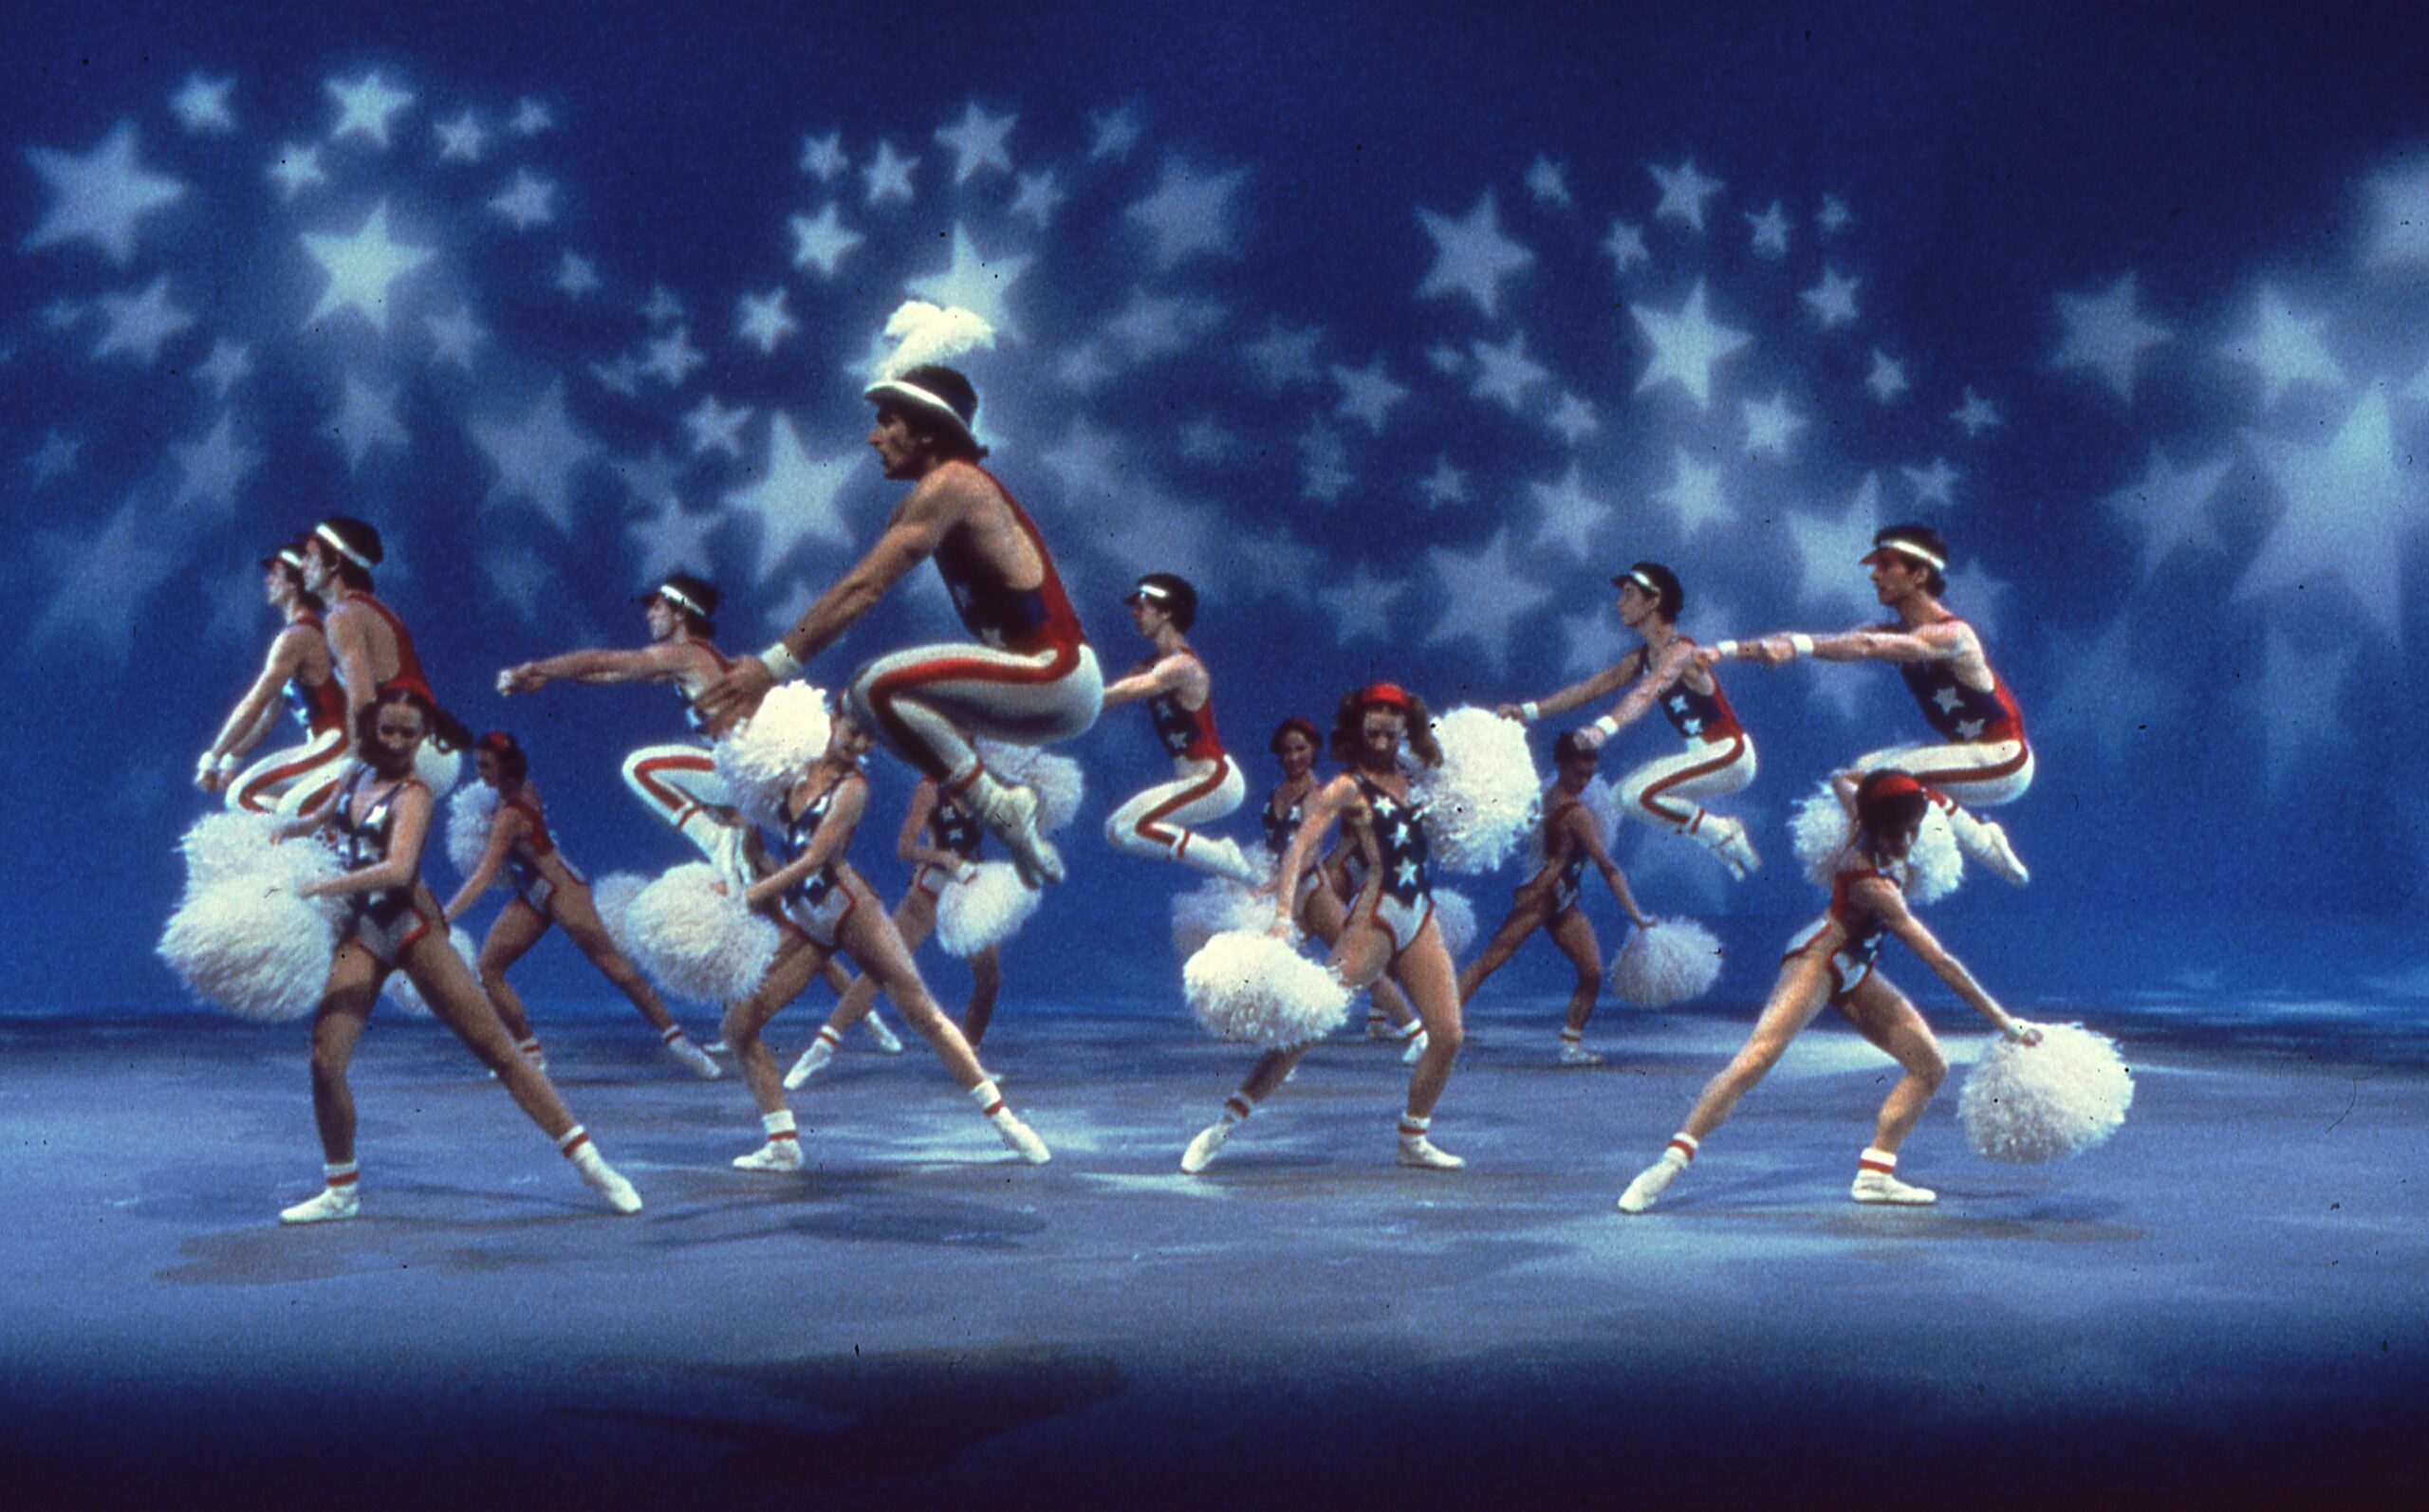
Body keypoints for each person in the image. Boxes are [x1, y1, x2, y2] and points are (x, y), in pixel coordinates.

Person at [695, 363, 1103, 888]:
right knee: (861, 704)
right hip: (1039, 694)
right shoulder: (922, 502)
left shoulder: (955, 482)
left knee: (875, 686)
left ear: (929, 427)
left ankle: (1000, 808)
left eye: (887, 421)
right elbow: (854, 592)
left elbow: (863, 589)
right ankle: (1007, 818)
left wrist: (772, 667)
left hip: (1056, 675)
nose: (872, 436)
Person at [270, 689, 642, 1224]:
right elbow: (325, 820)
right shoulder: (354, 775)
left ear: (424, 740)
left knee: (499, 1050)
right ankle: (341, 1191)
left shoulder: (414, 794)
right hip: (362, 930)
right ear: (372, 729)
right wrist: (291, 831)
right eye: (389, 730)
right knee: (325, 1061)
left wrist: (318, 886)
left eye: (410, 734)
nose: (398, 742)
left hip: (411, 927)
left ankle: (594, 1167)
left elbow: (399, 871)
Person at [496, 575, 900, 1053]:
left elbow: (611, 662)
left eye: (656, 608)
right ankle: (864, 1017)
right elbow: (608, 674)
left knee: (640, 767)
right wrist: (552, 676)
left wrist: (534, 666)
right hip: (752, 790)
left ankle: (714, 836)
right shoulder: (688, 662)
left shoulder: (689, 654)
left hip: (754, 780)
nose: (649, 616)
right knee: (788, 910)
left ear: (680, 612)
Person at [1615, 769, 2041, 1215]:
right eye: (1898, 833)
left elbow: (1841, 776)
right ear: (1873, 826)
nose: (1906, 842)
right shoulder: (1869, 881)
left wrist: (1913, 787)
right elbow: (1939, 962)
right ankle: (1665, 1168)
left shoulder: (1867, 811)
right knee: (1757, 1058)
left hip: (1857, 967)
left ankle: (1876, 1175)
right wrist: (2003, 1022)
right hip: (1817, 961)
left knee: (1930, 1065)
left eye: (1912, 830)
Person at [719, 707, 1049, 1172]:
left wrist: (751, 894)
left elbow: (815, 859)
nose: (857, 745)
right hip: (805, 914)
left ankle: (1007, 1123)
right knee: (737, 1028)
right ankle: (783, 1143)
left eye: (868, 741)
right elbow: (762, 828)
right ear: (832, 720)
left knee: (923, 1014)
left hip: (851, 910)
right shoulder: (791, 767)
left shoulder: (853, 788)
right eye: (853, 732)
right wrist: (743, 855)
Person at [1179, 683, 1468, 1174]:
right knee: (1307, 1025)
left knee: (1448, 1035)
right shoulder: (1345, 787)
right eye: (1372, 716)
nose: (1381, 725)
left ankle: (1412, 1137)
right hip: (1375, 916)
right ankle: (1223, 1126)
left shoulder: (1415, 779)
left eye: (1391, 716)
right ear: (1358, 727)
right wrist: (1281, 915)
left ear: (1404, 725)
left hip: (1421, 912)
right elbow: (1300, 849)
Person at [1697, 525, 2030, 884]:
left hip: (2003, 760)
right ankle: (1890, 857)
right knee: (1863, 771)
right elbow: (1836, 641)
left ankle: (1966, 845)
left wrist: (1796, 648)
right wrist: (1725, 651)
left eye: (1886, 565)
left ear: (1919, 574)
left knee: (1874, 781)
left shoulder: (1954, 635)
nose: (1874, 575)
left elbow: (1867, 647)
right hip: (1970, 753)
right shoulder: (1891, 631)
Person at [440, 731, 723, 1079]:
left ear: (504, 766)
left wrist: (446, 915)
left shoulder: (511, 813)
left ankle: (680, 1043)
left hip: (563, 889)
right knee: (489, 967)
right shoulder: (510, 795)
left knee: (615, 968)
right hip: (533, 892)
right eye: (477, 764)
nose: (479, 771)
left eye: (485, 765)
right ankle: (530, 1053)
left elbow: (483, 876)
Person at [1499, 562, 1759, 877]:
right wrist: (1528, 711)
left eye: (1629, 594)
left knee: (1639, 795)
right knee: (1618, 798)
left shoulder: (1681, 652)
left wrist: (1601, 729)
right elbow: (1589, 689)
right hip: (1706, 756)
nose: (1619, 603)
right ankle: (1715, 837)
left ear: (1653, 601)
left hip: (1730, 755)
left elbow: (1646, 693)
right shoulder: (1642, 656)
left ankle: (1722, 832)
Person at [784, 775, 1006, 1086]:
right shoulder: (931, 787)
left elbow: (1004, 825)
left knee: (989, 977)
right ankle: (822, 1047)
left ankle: (968, 1058)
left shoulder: (980, 787)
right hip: (932, 886)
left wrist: (1016, 817)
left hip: (971, 886)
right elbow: (905, 846)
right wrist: (944, 857)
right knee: (881, 967)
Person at [1456, 730, 1655, 1065]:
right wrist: (1636, 914)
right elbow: (1608, 868)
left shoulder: (1551, 794)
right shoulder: (1576, 812)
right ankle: (1439, 1027)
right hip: (1541, 897)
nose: (1585, 781)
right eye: (1579, 773)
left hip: (1559, 897)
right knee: (1489, 961)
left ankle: (1570, 1045)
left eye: (1590, 775)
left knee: (1591, 971)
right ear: (1562, 766)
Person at [1260, 716, 1424, 1056]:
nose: (1294, 756)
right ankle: (1278, 1041)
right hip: (1287, 890)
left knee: (1359, 966)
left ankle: (1416, 1033)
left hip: (1313, 891)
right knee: (1276, 962)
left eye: (1301, 749)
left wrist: (1269, 888)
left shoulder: (1317, 795)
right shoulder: (1275, 793)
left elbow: (1307, 855)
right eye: (1287, 750)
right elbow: (1275, 849)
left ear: (1314, 750)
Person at [1099, 574, 1264, 884]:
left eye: (1141, 606)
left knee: (1127, 828)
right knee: (1115, 831)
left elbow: (1125, 691)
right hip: (1193, 777)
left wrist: (1070, 696)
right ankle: (1223, 856)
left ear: (1166, 613)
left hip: (1215, 779)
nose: (1134, 613)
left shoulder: (1183, 667)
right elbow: (1106, 700)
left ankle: (1233, 865)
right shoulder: (1150, 664)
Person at [298, 516, 473, 791]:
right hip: (427, 743)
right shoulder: (367, 609)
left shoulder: (344, 616)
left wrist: (355, 774)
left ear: (334, 563)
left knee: (275, 801)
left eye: (309, 556)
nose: (302, 565)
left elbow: (362, 701)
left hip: (405, 741)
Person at [196, 539, 350, 817]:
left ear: (293, 584)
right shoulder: (301, 634)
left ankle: (317, 848)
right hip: (323, 743)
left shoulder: (297, 637)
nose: (268, 581)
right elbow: (267, 718)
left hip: (338, 741)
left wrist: (212, 758)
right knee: (264, 800)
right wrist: (234, 758)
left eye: (275, 575)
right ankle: (322, 839)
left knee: (243, 796)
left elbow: (254, 703)